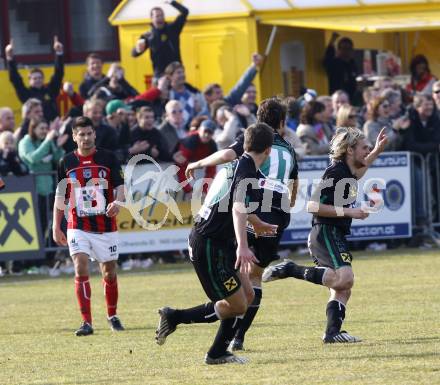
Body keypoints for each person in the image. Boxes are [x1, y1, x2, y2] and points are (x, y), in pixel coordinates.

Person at [155, 123, 278, 364]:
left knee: (248, 295)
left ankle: (217, 351)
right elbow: (237, 207)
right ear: (269, 151)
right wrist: (243, 245)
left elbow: (231, 203)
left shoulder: (238, 163)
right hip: (209, 245)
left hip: (220, 242)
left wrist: (257, 223)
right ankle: (181, 322)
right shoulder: (247, 172)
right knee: (238, 304)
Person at [185, 98, 299, 351]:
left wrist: (199, 163)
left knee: (243, 285)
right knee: (250, 282)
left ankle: (223, 345)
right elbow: (291, 184)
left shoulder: (247, 147)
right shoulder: (284, 149)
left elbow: (227, 155)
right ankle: (236, 337)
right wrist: (287, 205)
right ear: (281, 124)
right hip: (270, 213)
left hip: (244, 218)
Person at [262, 127, 388, 343]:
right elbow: (312, 205)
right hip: (325, 232)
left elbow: (359, 171)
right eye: (364, 148)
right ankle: (290, 269)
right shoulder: (335, 172)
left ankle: (332, 333)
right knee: (345, 279)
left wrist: (375, 151)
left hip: (334, 232)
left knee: (342, 288)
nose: (367, 152)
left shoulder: (347, 171)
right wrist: (350, 211)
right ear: (349, 150)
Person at [52, 116, 125, 336]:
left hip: (105, 226)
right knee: (80, 264)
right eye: (80, 134)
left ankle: (112, 315)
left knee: (109, 272)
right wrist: (56, 226)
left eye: (88, 133)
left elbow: (121, 187)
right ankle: (87, 322)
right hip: (78, 225)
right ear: (74, 137)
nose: (85, 138)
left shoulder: (109, 158)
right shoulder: (65, 162)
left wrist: (118, 202)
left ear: (95, 134)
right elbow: (60, 196)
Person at [18, 118, 67, 244]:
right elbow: (33, 158)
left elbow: (58, 160)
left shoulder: (47, 141)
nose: (44, 131)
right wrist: (48, 141)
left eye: (46, 129)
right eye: (41, 128)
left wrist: (59, 147)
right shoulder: (26, 141)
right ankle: (33, 259)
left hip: (48, 189)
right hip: (31, 190)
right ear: (33, 129)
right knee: (36, 226)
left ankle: (48, 256)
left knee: (55, 223)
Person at [5, 37, 64, 121]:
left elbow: (58, 74)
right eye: (35, 78)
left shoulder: (51, 90)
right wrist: (10, 58)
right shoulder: (26, 95)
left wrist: (59, 53)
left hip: (54, 126)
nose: (38, 80)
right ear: (29, 81)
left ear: (43, 79)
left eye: (40, 78)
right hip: (35, 129)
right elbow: (15, 79)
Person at [131, 0, 189, 78]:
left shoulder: (173, 28)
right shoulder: (148, 35)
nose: (160, 18)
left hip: (175, 72)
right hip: (160, 74)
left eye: (162, 15)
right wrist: (137, 49)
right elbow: (134, 54)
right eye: (157, 16)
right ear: (152, 18)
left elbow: (185, 12)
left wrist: (172, 2)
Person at [175, 119, 217, 193]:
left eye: (210, 132)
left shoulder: (212, 146)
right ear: (200, 130)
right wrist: (187, 189)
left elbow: (211, 171)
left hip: (193, 166)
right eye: (205, 131)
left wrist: (205, 190)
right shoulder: (191, 141)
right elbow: (180, 167)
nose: (206, 135)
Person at [323, 33, 358, 101]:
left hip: (351, 97)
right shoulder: (335, 63)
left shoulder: (352, 64)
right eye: (344, 48)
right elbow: (327, 58)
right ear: (339, 50)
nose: (346, 51)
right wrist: (332, 40)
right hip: (336, 96)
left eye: (348, 48)